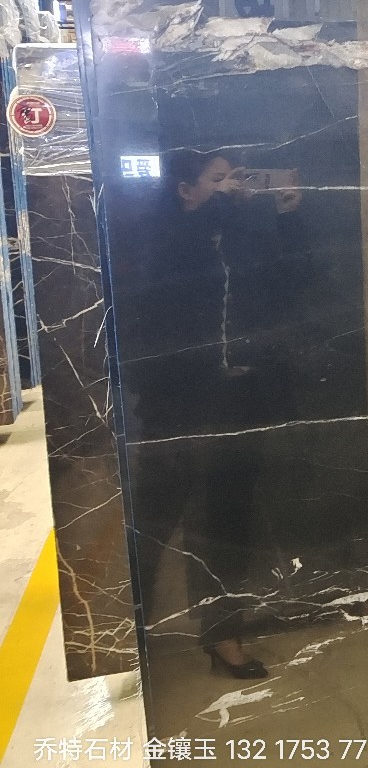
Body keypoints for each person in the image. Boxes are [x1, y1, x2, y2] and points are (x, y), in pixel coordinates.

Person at [125, 149, 304, 681]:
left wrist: (287, 216)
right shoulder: (163, 238)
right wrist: (216, 211)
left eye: (236, 179)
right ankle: (124, 637)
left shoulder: (242, 234)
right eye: (218, 179)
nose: (233, 187)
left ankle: (224, 634)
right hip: (177, 401)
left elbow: (289, 284)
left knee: (229, 519)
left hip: (239, 397)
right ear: (186, 190)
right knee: (156, 515)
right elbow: (152, 299)